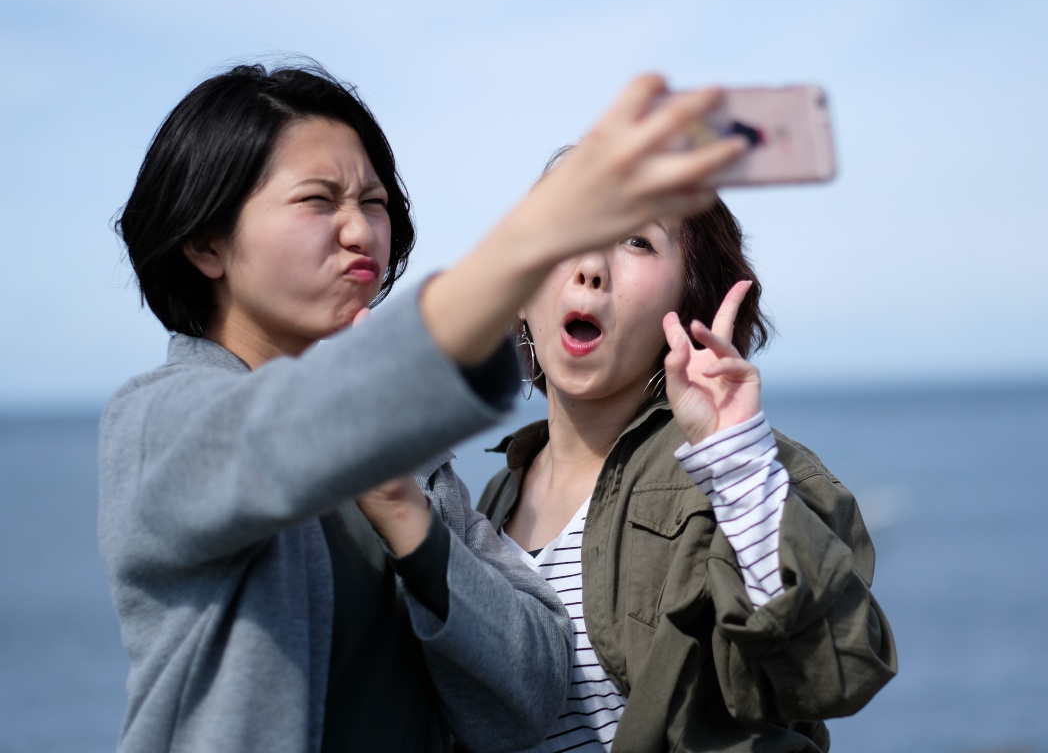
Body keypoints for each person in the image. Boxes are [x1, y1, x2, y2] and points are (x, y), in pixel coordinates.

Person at [98, 61, 748, 753]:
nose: (359, 231)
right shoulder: (158, 426)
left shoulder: (416, 471)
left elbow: (530, 695)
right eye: (319, 201)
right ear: (206, 242)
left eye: (373, 202)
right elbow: (284, 432)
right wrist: (532, 242)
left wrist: (409, 517)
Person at [474, 192, 898, 752]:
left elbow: (834, 669)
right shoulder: (492, 499)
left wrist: (736, 462)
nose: (590, 267)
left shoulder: (737, 469)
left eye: (637, 241)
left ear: (689, 304)